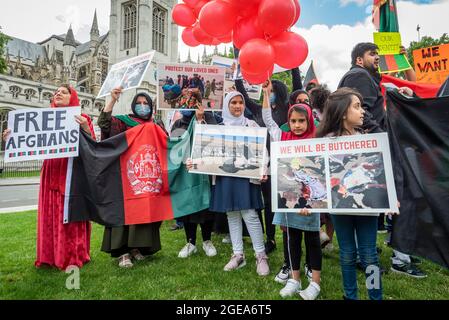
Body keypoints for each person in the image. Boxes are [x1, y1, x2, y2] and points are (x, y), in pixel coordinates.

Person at [339, 42, 426, 277]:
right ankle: (394, 257)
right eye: (372, 54)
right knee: (390, 195)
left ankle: (378, 253)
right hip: (372, 149)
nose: (377, 57)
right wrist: (379, 136)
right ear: (359, 59)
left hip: (370, 150)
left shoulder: (367, 77)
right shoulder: (358, 75)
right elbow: (361, 112)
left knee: (378, 198)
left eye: (378, 53)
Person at [2, 85, 95, 270]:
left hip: (70, 173)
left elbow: (93, 148)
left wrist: (85, 128)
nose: (57, 93)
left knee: (69, 214)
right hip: (50, 171)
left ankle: (72, 255)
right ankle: (49, 256)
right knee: (49, 214)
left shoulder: (83, 119)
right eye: (56, 92)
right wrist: (11, 140)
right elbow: (30, 146)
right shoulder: (43, 119)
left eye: (64, 91)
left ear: (73, 97)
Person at [317, 87, 386, 300]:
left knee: (370, 256)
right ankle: (350, 296)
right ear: (343, 112)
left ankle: (375, 296)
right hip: (340, 207)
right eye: (357, 106)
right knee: (347, 255)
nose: (362, 111)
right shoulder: (324, 143)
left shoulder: (371, 140)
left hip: (368, 208)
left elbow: (382, 172)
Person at [261, 80, 322, 300]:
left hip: (311, 204)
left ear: (309, 121)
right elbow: (268, 120)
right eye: (293, 121)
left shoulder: (317, 139)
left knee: (312, 241)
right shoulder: (282, 137)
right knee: (292, 240)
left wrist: (312, 203)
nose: (296, 125)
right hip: (289, 202)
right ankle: (294, 279)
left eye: (301, 121)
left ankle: (315, 283)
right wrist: (266, 93)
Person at [204, 91, 270, 276]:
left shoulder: (251, 125)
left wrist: (263, 168)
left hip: (246, 176)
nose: (238, 106)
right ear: (226, 105)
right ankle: (238, 254)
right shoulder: (219, 127)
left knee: (249, 213)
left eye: (241, 102)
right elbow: (209, 151)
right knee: (232, 214)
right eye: (233, 102)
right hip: (226, 175)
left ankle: (261, 255)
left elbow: (262, 151)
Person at [98, 87, 162, 268]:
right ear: (134, 106)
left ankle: (136, 248)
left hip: (146, 178)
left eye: (146, 103)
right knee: (123, 214)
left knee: (142, 215)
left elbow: (165, 144)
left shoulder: (156, 125)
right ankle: (122, 252)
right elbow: (105, 125)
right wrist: (112, 100)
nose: (143, 106)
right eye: (139, 103)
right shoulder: (123, 121)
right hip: (124, 177)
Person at [172, 104, 218, 258]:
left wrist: (200, 120)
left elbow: (215, 143)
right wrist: (185, 160)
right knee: (189, 205)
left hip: (206, 172)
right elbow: (175, 145)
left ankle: (207, 240)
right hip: (187, 172)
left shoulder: (211, 120)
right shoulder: (180, 122)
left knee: (206, 206)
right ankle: (190, 242)